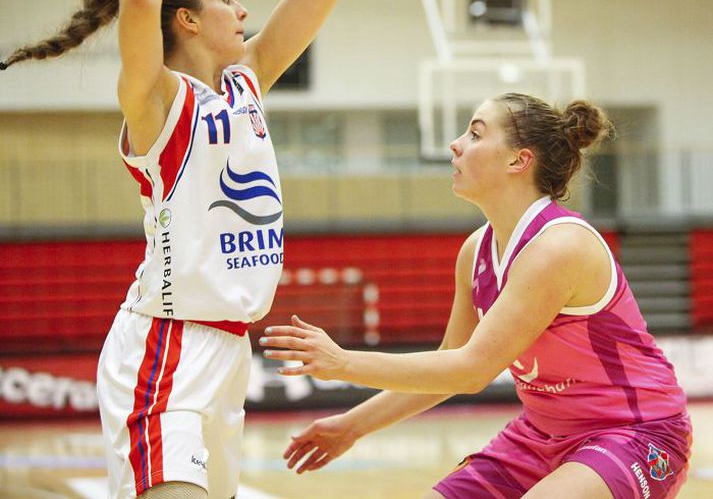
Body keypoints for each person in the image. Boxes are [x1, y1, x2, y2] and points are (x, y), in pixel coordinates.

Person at [0, 0, 346, 498]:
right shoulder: (159, 102)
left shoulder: (246, 83)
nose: (242, 10)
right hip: (165, 346)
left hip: (227, 349)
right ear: (185, 19)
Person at [261, 93, 692, 498]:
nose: (455, 145)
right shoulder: (476, 251)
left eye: (475, 133)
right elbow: (448, 364)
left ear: (519, 160)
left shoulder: (559, 246)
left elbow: (471, 371)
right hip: (540, 436)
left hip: (636, 433)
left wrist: (344, 363)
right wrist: (351, 426)